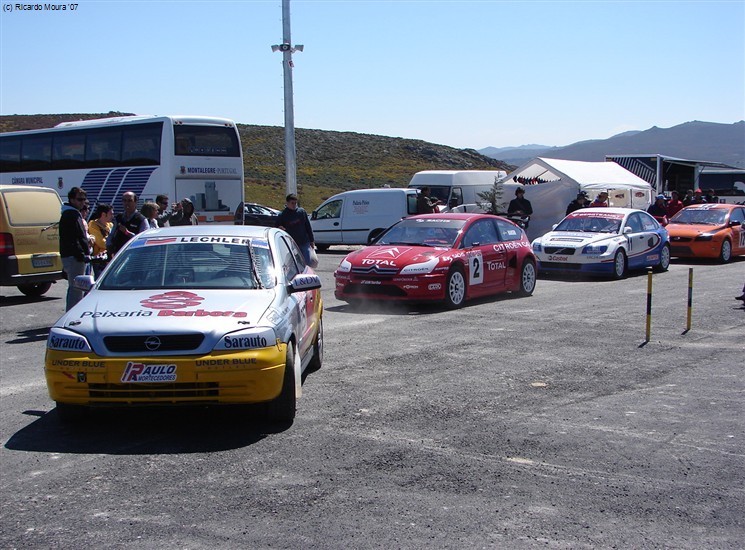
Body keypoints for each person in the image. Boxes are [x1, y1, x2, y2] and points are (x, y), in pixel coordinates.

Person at [59, 187, 91, 310]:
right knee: (77, 288)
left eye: (84, 199)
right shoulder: (70, 214)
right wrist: (81, 254)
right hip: (74, 257)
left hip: (72, 256)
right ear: (72, 199)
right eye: (79, 199)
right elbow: (74, 238)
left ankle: (72, 312)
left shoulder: (71, 213)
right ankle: (72, 314)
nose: (82, 202)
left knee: (75, 288)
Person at [277, 193, 315, 265]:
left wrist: (311, 240)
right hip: (291, 243)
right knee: (293, 264)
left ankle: (306, 274)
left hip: (304, 242)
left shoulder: (301, 212)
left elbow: (308, 226)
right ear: (287, 203)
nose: (294, 205)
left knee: (307, 262)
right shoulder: (282, 215)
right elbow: (277, 227)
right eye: (292, 203)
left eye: (295, 203)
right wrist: (280, 227)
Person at [107, 191, 148, 258]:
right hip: (118, 254)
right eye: (124, 200)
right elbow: (111, 235)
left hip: (134, 255)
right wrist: (109, 246)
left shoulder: (141, 220)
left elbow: (143, 240)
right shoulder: (119, 218)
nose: (127, 203)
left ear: (135, 202)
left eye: (129, 201)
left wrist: (127, 233)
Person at [88, 203, 113, 277]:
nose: (112, 216)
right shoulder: (93, 225)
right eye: (111, 214)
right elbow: (101, 243)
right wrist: (112, 245)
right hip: (100, 260)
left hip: (110, 257)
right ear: (103, 214)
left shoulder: (110, 225)